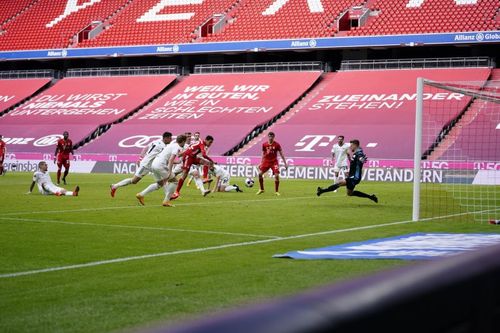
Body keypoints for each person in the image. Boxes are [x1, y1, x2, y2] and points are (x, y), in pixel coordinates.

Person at [110, 132, 172, 197]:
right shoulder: (162, 147)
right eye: (170, 138)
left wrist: (140, 158)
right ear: (166, 138)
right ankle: (115, 186)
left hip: (151, 165)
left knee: (163, 180)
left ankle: (168, 196)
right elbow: (163, 158)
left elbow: (145, 148)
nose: (171, 140)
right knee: (134, 181)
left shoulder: (156, 141)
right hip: (146, 165)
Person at [136, 134, 188, 207]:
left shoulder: (172, 145)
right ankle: (166, 201)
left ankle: (141, 194)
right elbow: (171, 160)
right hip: (160, 165)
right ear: (183, 141)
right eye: (184, 142)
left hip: (154, 164)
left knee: (160, 184)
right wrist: (169, 171)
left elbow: (177, 155)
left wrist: (183, 154)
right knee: (174, 181)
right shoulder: (176, 147)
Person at [172, 135, 215, 200]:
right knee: (184, 175)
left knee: (207, 163)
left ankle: (205, 178)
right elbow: (203, 155)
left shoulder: (199, 142)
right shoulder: (201, 143)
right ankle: (176, 191)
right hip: (188, 157)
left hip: (193, 157)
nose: (210, 144)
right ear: (206, 140)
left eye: (212, 143)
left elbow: (190, 148)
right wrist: (211, 160)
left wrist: (182, 153)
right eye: (210, 142)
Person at [256, 132, 288, 196]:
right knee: (260, 174)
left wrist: (285, 163)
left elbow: (281, 154)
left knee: (276, 175)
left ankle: (276, 191)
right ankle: (262, 189)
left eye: (272, 136)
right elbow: (263, 154)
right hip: (266, 161)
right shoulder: (264, 144)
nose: (270, 137)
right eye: (269, 136)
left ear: (273, 137)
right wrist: (261, 162)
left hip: (274, 162)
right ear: (268, 136)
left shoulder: (277, 145)